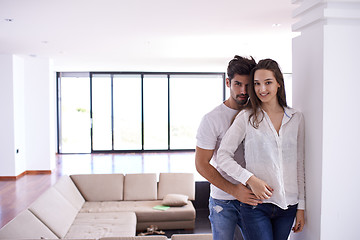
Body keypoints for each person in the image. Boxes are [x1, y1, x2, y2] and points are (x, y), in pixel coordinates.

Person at [216, 58, 305, 240]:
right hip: (256, 206)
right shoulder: (246, 117)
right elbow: (223, 156)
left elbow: (299, 164)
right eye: (257, 84)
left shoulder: (296, 117)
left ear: (279, 83)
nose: (262, 89)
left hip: (288, 206)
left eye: (268, 82)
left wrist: (301, 206)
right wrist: (250, 179)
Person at [195, 55, 261, 240]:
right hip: (223, 201)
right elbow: (201, 164)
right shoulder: (212, 119)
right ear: (227, 82)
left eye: (248, 85)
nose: (243, 90)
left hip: (255, 199)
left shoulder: (260, 114)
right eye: (238, 84)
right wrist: (234, 191)